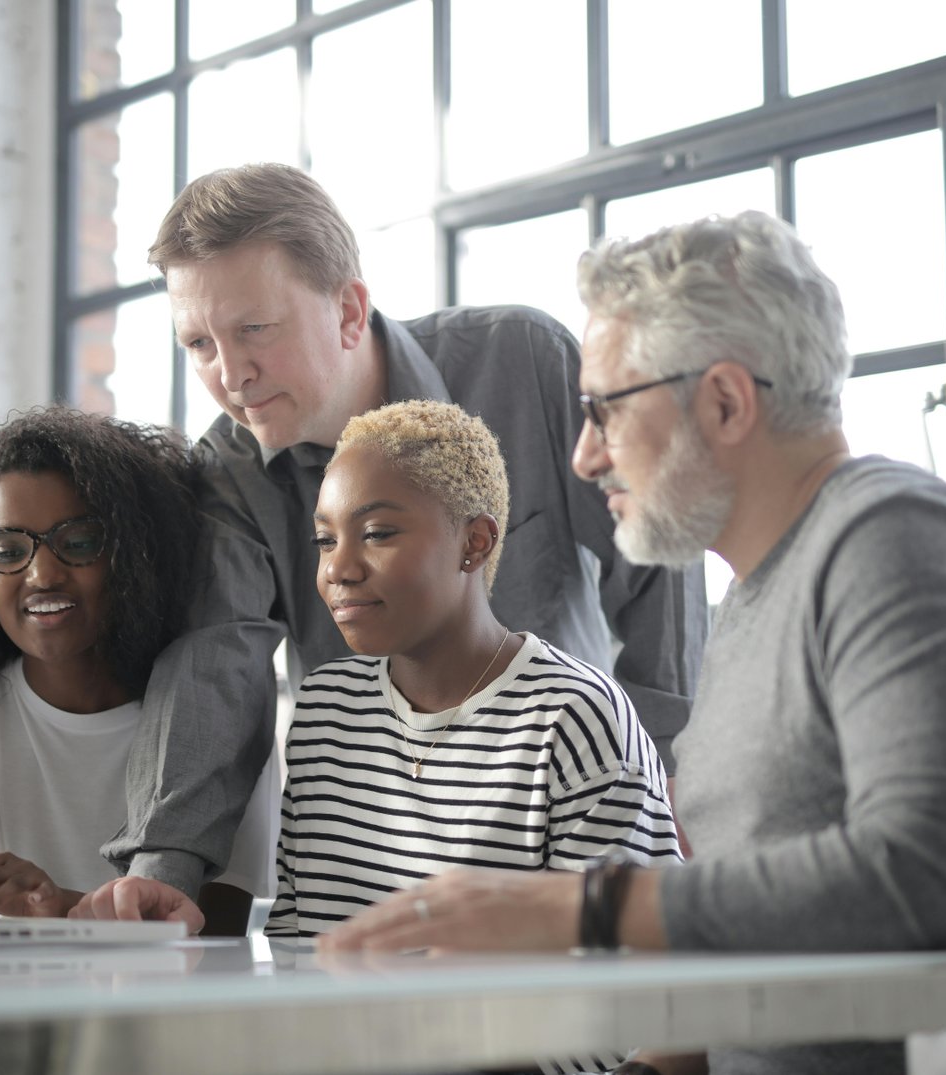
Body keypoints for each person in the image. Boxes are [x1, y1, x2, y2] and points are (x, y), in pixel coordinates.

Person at [323, 212, 946, 1075]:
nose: (583, 455)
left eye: (603, 411)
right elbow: (738, 925)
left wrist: (574, 909)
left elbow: (930, 875)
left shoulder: (897, 540)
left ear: (724, 400)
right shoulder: (753, 597)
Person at [99, 162, 706, 908]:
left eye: (255, 329)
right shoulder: (227, 469)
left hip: (566, 827)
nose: (232, 376)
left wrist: (665, 766)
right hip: (377, 855)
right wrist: (162, 870)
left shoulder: (524, 361)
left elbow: (656, 554)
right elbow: (213, 663)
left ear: (351, 310)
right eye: (198, 344)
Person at [0, 407, 275, 933]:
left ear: (133, 552)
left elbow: (217, 937)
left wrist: (58, 906)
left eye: (78, 543)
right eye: (7, 550)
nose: (42, 574)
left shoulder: (223, 718)